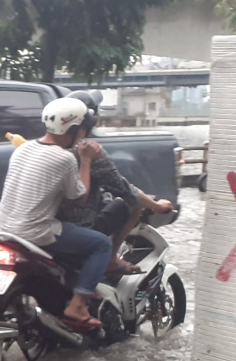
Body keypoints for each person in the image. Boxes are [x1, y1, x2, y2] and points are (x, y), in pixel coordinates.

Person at [0, 96, 114, 328]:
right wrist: (86, 160)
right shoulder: (64, 158)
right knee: (101, 244)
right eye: (81, 130)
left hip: (4, 230)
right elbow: (79, 198)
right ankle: (78, 305)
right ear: (74, 129)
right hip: (36, 232)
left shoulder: (23, 149)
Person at [55, 92, 174, 273]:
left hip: (46, 225)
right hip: (79, 228)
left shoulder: (43, 151)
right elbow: (126, 190)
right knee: (131, 204)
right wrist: (157, 206)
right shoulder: (90, 153)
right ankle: (110, 258)